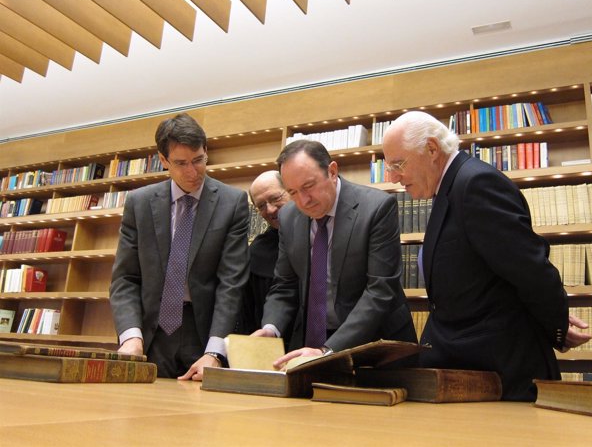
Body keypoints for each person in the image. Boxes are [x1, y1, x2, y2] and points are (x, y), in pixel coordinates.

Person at [382, 111, 591, 401]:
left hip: (500, 373)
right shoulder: (450, 188)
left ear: (432, 149)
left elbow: (531, 270)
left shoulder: (475, 183)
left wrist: (556, 325)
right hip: (470, 370)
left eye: (397, 164)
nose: (392, 177)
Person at [253, 140, 417, 367]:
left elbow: (380, 291)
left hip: (375, 348)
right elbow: (285, 285)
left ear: (332, 171)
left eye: (308, 186)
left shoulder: (376, 208)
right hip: (311, 345)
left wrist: (328, 351)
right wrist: (271, 328)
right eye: (292, 192)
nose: (303, 200)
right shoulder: (289, 216)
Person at [110, 113, 249, 380]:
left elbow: (231, 283)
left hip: (203, 335)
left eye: (198, 160)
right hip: (149, 333)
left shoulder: (232, 203)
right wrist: (131, 336)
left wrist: (216, 352)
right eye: (181, 163)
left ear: (206, 151)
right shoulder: (139, 204)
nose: (192, 172)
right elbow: (125, 278)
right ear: (163, 160)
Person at [238, 171, 291, 335]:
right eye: (261, 205)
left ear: (292, 191)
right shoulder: (256, 251)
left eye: (276, 198)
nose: (270, 209)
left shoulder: (317, 236)